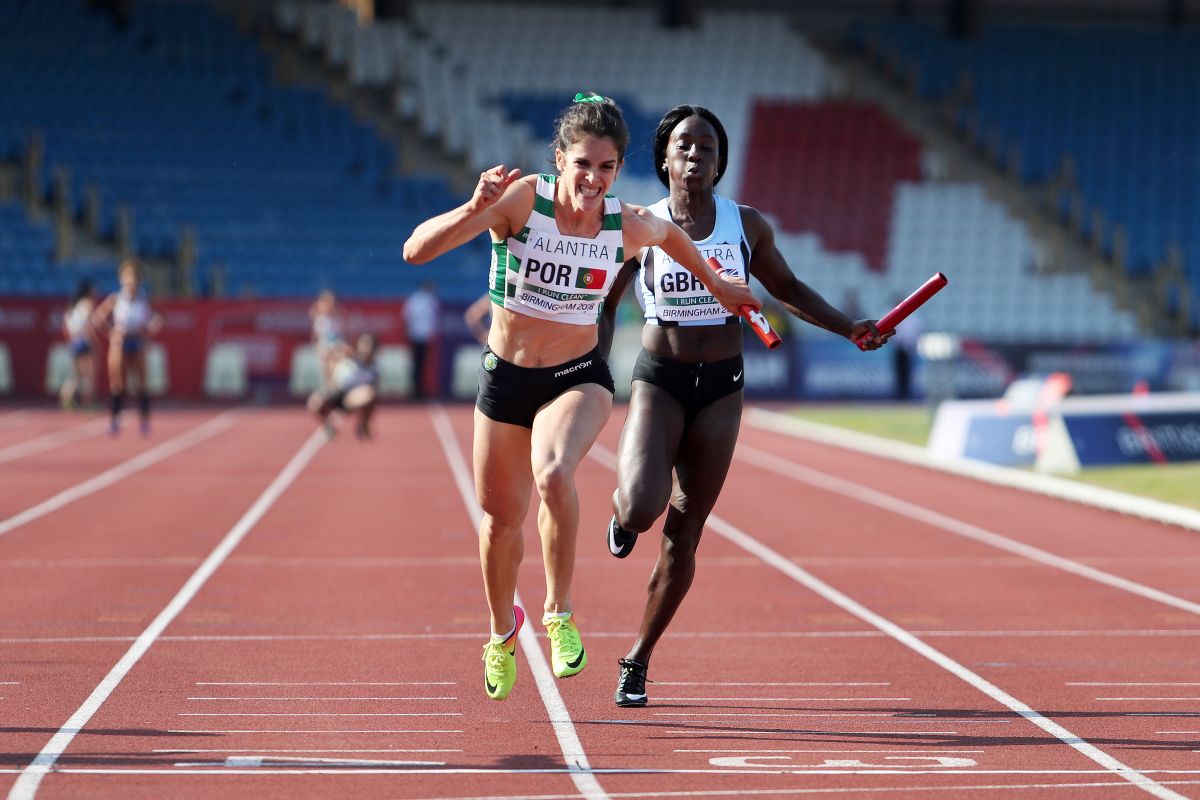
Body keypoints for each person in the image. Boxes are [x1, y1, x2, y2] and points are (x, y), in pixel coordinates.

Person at [402, 92, 760, 702]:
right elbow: (416, 251)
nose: (594, 180)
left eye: (607, 168)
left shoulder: (626, 223)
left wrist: (721, 286)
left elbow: (672, 237)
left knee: (554, 471)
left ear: (618, 170)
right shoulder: (522, 201)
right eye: (583, 165)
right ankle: (499, 632)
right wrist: (474, 207)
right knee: (498, 523)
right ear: (560, 160)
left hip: (578, 376)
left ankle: (558, 614)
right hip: (507, 379)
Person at [600, 104, 890, 707]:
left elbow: (787, 290)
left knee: (685, 535)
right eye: (684, 145)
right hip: (660, 379)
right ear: (664, 159)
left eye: (707, 146)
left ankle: (638, 658)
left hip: (723, 388)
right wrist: (592, 368)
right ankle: (624, 518)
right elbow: (605, 304)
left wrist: (849, 328)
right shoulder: (639, 224)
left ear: (720, 161)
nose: (696, 154)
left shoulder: (746, 225)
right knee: (641, 504)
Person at [91, 259, 164, 436]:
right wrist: (112, 333)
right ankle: (115, 421)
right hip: (120, 343)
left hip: (137, 342)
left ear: (139, 280)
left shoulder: (144, 299)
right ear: (122, 279)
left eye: (134, 277)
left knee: (141, 383)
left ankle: (145, 422)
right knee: (117, 384)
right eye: (127, 277)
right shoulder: (116, 298)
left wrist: (152, 326)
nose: (130, 281)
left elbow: (155, 319)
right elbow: (97, 319)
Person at [308, 332, 380, 440]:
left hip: (353, 398)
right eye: (364, 345)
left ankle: (363, 425)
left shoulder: (374, 368)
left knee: (369, 394)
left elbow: (370, 389)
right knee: (315, 403)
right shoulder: (347, 357)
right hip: (337, 393)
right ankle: (329, 426)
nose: (366, 349)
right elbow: (327, 356)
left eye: (369, 346)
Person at [59, 278, 97, 410]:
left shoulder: (72, 306)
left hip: (74, 341)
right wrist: (93, 342)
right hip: (84, 341)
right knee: (89, 374)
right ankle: (88, 402)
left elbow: (66, 325)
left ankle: (66, 396)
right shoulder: (87, 303)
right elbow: (88, 324)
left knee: (76, 375)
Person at [402, 279, 440, 400]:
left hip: (424, 336)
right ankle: (415, 390)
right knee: (416, 364)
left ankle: (420, 389)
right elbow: (407, 316)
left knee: (422, 364)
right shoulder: (416, 299)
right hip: (416, 335)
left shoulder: (432, 300)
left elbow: (434, 318)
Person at [309, 289, 346, 389]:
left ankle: (335, 385)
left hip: (337, 343)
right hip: (324, 345)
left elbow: (343, 332)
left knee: (335, 363)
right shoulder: (319, 318)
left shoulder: (339, 316)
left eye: (331, 303)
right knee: (325, 361)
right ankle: (328, 386)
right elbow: (316, 335)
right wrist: (316, 346)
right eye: (326, 303)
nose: (329, 305)